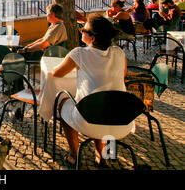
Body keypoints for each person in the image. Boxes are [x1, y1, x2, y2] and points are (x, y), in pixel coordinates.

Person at [52, 15, 134, 167]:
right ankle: (102, 155)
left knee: (62, 100)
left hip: (88, 120)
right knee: (101, 102)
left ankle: (74, 154)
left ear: (93, 38)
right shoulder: (118, 53)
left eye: (83, 29)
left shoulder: (79, 54)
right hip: (121, 121)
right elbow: (122, 76)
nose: (80, 31)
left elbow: (57, 73)